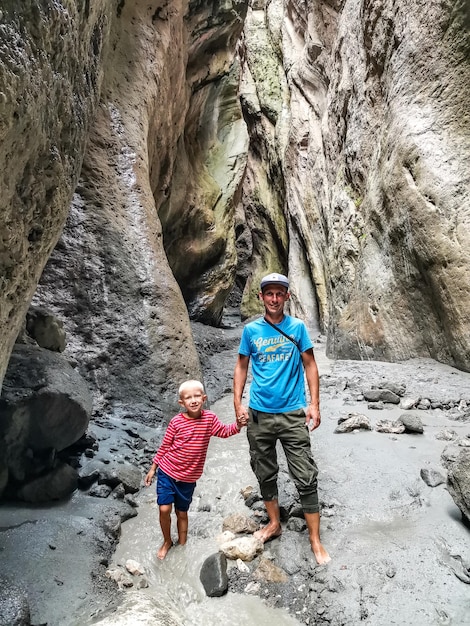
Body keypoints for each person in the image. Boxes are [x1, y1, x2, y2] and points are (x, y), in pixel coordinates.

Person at [233, 273, 330, 565]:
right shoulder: (251, 331)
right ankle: (274, 523)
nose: (274, 299)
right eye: (269, 293)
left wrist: (315, 404)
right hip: (259, 413)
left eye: (279, 294)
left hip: (291, 413)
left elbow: (311, 365)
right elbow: (241, 367)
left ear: (286, 297)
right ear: (261, 297)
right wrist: (237, 403)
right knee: (264, 471)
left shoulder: (297, 328)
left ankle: (314, 538)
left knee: (305, 475)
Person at [145, 379, 246, 560]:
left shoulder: (209, 419)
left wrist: (238, 425)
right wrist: (153, 468)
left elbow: (224, 431)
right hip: (167, 472)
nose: (193, 400)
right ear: (181, 403)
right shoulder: (176, 422)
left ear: (204, 398)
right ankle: (167, 541)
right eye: (188, 398)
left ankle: (183, 545)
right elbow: (165, 446)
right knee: (164, 509)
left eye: (197, 396)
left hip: (188, 478)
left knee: (182, 512)